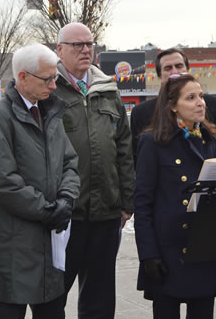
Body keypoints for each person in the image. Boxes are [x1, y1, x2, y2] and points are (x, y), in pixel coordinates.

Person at [0, 44, 80, 319]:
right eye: (47, 79)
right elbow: (3, 182)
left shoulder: (51, 114)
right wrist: (48, 211)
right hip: (15, 245)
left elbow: (70, 162)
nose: (53, 86)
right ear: (22, 77)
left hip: (51, 243)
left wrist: (66, 200)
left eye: (54, 78)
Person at [54, 22, 135, 318]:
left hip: (105, 213)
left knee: (99, 298)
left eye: (90, 44)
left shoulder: (108, 90)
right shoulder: (50, 91)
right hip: (64, 214)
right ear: (59, 50)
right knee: (53, 295)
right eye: (77, 45)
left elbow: (124, 149)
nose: (86, 50)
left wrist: (127, 201)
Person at [134, 73, 216, 318]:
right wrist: (148, 253)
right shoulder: (152, 142)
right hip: (169, 250)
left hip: (204, 245)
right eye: (191, 97)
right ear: (172, 106)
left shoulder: (208, 137)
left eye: (201, 96)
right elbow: (143, 203)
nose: (201, 103)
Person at [130, 48, 216, 163]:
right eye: (168, 68)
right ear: (160, 76)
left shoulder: (215, 106)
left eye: (179, 66)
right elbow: (138, 160)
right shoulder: (141, 113)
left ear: (187, 70)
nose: (175, 72)